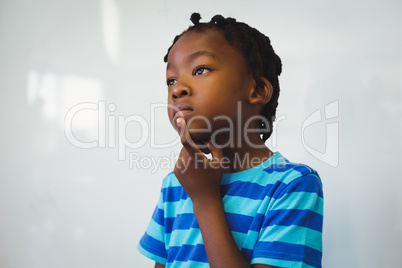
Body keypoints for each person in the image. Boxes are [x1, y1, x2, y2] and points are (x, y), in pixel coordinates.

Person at [138, 13, 323, 268]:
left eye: (200, 69)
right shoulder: (176, 183)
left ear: (257, 90)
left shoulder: (292, 186)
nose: (176, 89)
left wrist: (205, 199)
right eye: (171, 80)